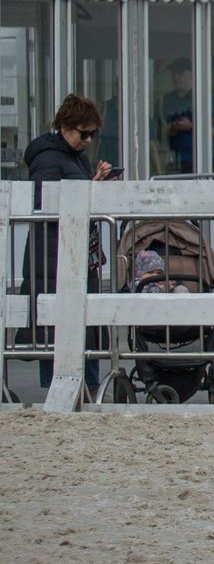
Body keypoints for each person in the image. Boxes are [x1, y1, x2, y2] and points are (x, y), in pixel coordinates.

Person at [18, 95, 111, 394]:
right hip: (54, 256)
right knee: (58, 327)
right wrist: (91, 188)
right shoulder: (48, 158)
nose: (88, 140)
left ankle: (87, 388)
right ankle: (66, 390)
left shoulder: (74, 156)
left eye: (93, 134)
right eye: (83, 133)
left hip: (73, 254)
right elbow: (46, 204)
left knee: (80, 325)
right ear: (64, 127)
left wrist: (95, 183)